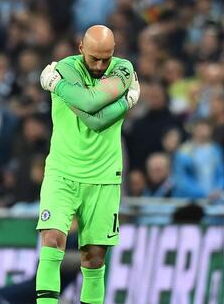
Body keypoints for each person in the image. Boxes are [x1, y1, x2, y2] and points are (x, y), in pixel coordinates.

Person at [35, 25, 140, 304]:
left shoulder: (123, 69)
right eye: (94, 58)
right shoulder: (67, 67)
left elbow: (94, 113)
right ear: (81, 47)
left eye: (106, 58)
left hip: (104, 176)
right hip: (62, 173)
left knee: (94, 257)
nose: (100, 65)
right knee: (52, 240)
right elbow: (94, 109)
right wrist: (126, 101)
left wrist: (58, 86)